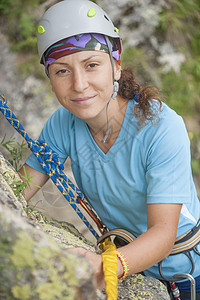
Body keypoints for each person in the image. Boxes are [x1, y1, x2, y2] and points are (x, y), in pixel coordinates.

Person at [18, 0, 200, 298]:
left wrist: (108, 265)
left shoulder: (161, 127)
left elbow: (164, 233)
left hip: (188, 272)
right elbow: (18, 188)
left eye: (92, 65)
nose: (79, 84)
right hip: (135, 266)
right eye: (62, 71)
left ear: (116, 67)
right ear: (49, 79)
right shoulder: (63, 124)